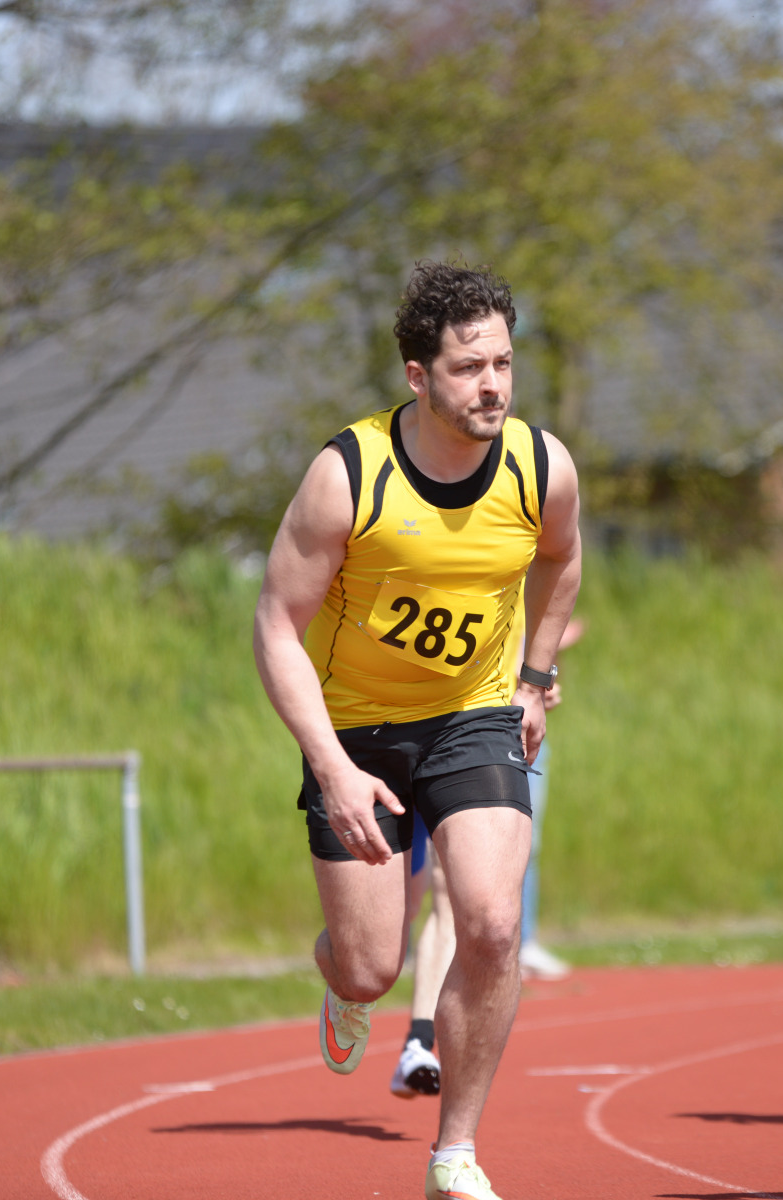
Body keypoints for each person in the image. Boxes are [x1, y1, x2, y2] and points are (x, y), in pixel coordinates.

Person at [253, 261, 581, 1200]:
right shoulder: (347, 475)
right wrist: (331, 766)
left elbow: (561, 560)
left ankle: (454, 1154)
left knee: (491, 922)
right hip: (356, 732)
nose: (492, 386)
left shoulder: (541, 466)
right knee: (371, 968)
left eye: (504, 364)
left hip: (474, 716)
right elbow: (275, 626)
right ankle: (341, 980)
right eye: (469, 368)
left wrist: (535, 677)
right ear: (418, 375)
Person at [518, 616, 585, 982]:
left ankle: (523, 940)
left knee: (527, 843)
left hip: (528, 729)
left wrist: (541, 681)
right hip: (484, 728)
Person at [389, 812, 456, 1100]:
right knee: (408, 907)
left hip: (445, 782)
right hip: (391, 788)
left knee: (448, 891)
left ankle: (418, 1043)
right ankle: (346, 976)